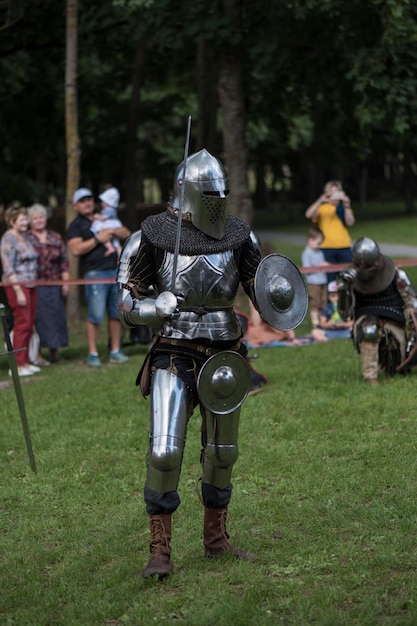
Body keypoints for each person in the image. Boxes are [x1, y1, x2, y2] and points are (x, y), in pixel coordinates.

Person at [117, 149, 276, 579]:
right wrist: (154, 307)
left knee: (222, 452)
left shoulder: (239, 236)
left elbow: (259, 285)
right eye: (210, 192)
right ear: (187, 192)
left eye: (221, 191)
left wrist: (278, 294)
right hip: (173, 349)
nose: (217, 198)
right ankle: (160, 552)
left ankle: (216, 542)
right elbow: (126, 302)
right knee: (165, 452)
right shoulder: (151, 236)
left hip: (224, 350)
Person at [67, 187, 131, 367]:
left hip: (117, 272)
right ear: (76, 206)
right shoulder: (76, 226)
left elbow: (127, 234)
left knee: (116, 313)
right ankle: (93, 353)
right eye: (82, 201)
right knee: (95, 315)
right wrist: (98, 239)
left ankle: (115, 350)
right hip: (95, 274)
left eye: (89, 199)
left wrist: (111, 231)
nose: (87, 203)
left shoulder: (106, 216)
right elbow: (75, 249)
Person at [337, 237, 415, 385]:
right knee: (369, 329)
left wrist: (412, 316)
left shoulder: (394, 272)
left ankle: (397, 363)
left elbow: (409, 297)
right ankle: (370, 378)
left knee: (395, 369)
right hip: (364, 316)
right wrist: (344, 289)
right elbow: (344, 313)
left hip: (393, 317)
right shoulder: (349, 277)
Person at [26, 203, 69, 365]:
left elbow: (64, 262)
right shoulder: (26, 238)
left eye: (41, 217)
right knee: (39, 319)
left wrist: (65, 283)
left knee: (56, 317)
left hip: (55, 283)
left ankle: (54, 351)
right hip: (35, 284)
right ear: (30, 221)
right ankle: (37, 353)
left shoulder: (55, 237)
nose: (39, 220)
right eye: (35, 218)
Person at [0, 204, 40, 376]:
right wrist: (18, 291)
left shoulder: (25, 237)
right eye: (22, 219)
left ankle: (25, 361)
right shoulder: (8, 238)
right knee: (21, 324)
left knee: (29, 323)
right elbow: (8, 267)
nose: (26, 222)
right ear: (12, 221)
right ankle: (17, 365)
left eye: (26, 219)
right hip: (17, 285)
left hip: (31, 284)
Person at [305, 180, 355, 281]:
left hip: (344, 246)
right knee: (330, 279)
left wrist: (346, 205)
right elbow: (309, 214)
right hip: (327, 247)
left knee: (347, 277)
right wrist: (321, 200)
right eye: (332, 192)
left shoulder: (343, 208)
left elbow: (350, 222)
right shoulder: (322, 209)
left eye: (337, 192)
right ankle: (331, 297)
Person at [301, 227, 329, 330]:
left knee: (323, 302)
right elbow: (307, 269)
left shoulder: (320, 252)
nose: (319, 245)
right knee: (315, 303)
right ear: (310, 240)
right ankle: (315, 323)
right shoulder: (307, 253)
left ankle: (323, 321)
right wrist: (321, 266)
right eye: (318, 243)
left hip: (322, 281)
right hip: (314, 283)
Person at [91, 187, 123, 258]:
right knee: (116, 243)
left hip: (108, 224)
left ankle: (109, 247)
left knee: (100, 233)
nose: (102, 203)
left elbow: (104, 218)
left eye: (103, 201)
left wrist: (96, 216)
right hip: (114, 224)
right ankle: (119, 256)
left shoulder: (108, 210)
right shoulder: (112, 209)